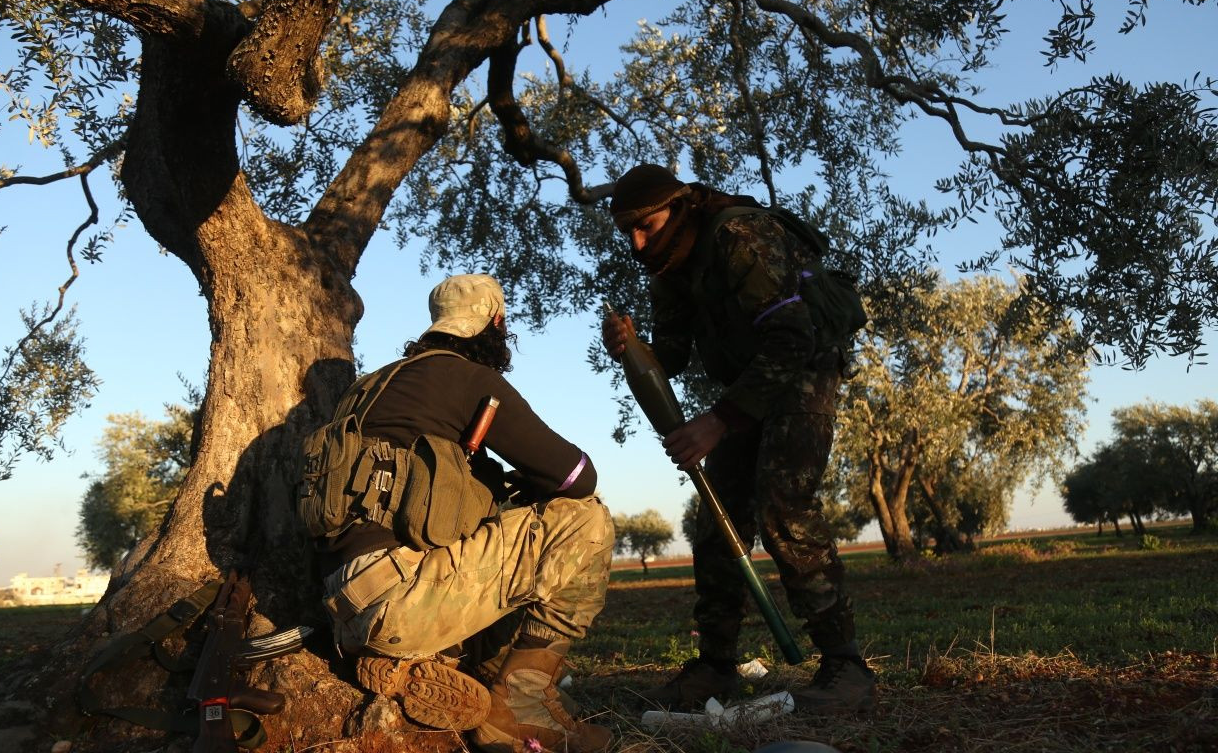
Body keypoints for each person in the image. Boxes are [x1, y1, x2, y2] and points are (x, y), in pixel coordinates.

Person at [600, 164, 875, 714]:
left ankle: (846, 667)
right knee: (717, 520)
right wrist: (630, 349)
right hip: (751, 384)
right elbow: (672, 355)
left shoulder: (737, 234)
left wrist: (718, 420)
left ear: (680, 208)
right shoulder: (668, 267)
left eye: (646, 226)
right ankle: (716, 666)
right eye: (627, 231)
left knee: (784, 508)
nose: (637, 243)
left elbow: (793, 337)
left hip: (804, 368)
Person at [318, 273, 614, 753]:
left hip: (343, 606)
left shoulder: (368, 387)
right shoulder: (471, 380)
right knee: (585, 521)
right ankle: (521, 708)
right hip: (403, 598)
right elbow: (578, 477)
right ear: (496, 324)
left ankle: (446, 665)